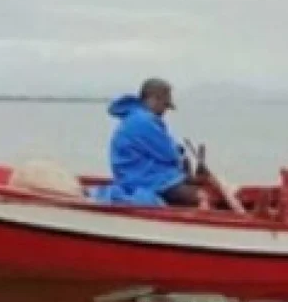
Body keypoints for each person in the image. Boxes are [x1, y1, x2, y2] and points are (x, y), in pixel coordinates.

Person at [90, 78, 210, 207]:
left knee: (195, 184)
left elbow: (167, 153)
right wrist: (183, 159)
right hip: (143, 180)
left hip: (140, 176)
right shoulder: (144, 121)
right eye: (165, 105)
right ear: (153, 99)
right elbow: (170, 154)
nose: (165, 111)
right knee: (203, 196)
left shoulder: (135, 117)